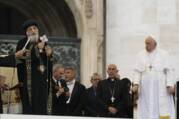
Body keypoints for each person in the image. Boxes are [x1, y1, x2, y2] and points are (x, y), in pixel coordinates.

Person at [132, 36, 175, 119]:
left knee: (161, 109)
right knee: (145, 109)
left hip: (161, 88)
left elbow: (169, 70)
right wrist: (136, 84)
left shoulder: (164, 54)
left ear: (155, 44)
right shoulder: (140, 54)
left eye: (148, 43)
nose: (146, 45)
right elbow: (137, 71)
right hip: (146, 90)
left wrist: (169, 85)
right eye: (145, 43)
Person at [16, 19, 53, 114]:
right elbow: (22, 59)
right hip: (29, 81)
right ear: (26, 32)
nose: (33, 31)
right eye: (30, 29)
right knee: (30, 106)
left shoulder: (43, 41)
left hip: (42, 81)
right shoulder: (22, 43)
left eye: (35, 28)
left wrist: (49, 54)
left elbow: (49, 61)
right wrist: (37, 48)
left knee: (42, 105)